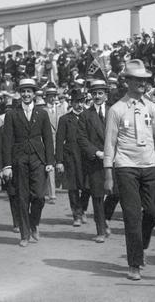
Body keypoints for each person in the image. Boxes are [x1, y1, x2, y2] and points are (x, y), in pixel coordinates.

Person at [103, 60, 155, 281]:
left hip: (150, 165)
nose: (143, 83)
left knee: (153, 212)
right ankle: (134, 263)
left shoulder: (152, 107)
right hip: (126, 167)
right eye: (139, 80)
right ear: (128, 81)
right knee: (132, 216)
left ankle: (141, 242)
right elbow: (110, 143)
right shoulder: (116, 109)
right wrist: (108, 173)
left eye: (145, 80)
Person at [0, 79, 55, 245]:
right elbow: (7, 141)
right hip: (19, 160)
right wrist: (7, 165)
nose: (26, 94)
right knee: (22, 197)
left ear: (34, 94)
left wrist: (50, 161)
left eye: (29, 91)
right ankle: (24, 234)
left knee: (39, 196)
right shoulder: (11, 114)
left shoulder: (42, 113)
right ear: (19, 93)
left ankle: (34, 223)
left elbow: (48, 139)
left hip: (38, 159)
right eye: (23, 91)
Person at [77, 80, 114, 243]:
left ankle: (106, 218)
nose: (97, 96)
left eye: (100, 93)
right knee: (98, 197)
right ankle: (100, 230)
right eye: (95, 94)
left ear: (106, 95)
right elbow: (81, 138)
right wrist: (97, 152)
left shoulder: (115, 111)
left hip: (116, 159)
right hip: (96, 161)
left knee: (117, 193)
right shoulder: (86, 115)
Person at [55, 89, 89, 226]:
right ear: (72, 103)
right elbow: (59, 141)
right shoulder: (64, 119)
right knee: (73, 188)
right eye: (76, 102)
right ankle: (76, 215)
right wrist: (59, 161)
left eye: (82, 102)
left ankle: (83, 209)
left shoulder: (89, 117)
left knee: (87, 187)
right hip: (71, 159)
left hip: (87, 158)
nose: (79, 105)